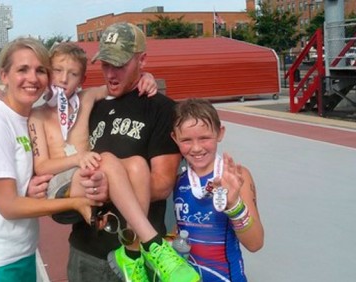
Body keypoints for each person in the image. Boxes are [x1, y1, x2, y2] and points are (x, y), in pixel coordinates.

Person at [0, 37, 107, 282]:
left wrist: (28, 189)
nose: (32, 78)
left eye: (40, 70)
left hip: (20, 253)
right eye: (22, 70)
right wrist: (76, 203)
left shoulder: (24, 120)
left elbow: (15, 182)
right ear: (4, 75)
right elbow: (9, 206)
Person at [68, 22, 200, 282]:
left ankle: (140, 249)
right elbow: (72, 154)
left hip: (138, 256)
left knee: (132, 163)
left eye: (119, 65)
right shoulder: (91, 104)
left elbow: (162, 184)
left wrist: (108, 188)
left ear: (142, 60)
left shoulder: (161, 109)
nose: (110, 73)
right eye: (105, 64)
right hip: (85, 250)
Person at [171, 98, 264, 281]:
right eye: (186, 140)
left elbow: (255, 243)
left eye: (204, 138)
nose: (196, 148)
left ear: (219, 133)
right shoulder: (178, 181)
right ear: (174, 138)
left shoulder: (237, 177)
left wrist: (234, 205)